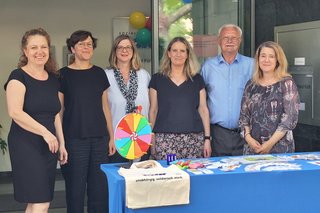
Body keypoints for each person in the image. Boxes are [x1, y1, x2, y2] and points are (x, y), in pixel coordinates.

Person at [4, 28, 68, 213]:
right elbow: (15, 112)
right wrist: (46, 133)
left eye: (43, 47)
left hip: (49, 145)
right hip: (26, 144)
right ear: (25, 51)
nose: (39, 51)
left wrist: (61, 143)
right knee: (42, 201)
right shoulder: (18, 76)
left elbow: (55, 113)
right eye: (33, 47)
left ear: (49, 49)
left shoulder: (54, 79)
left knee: (36, 201)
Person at [59, 30, 115, 213]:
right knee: (75, 191)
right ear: (72, 48)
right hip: (74, 140)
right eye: (81, 44)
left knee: (99, 191)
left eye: (89, 44)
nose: (86, 47)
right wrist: (61, 142)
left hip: (99, 140)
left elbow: (105, 108)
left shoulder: (99, 73)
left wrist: (111, 137)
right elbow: (58, 112)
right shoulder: (62, 75)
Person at [149, 36, 212, 160]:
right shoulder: (157, 79)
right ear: (168, 53)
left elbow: (203, 110)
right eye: (174, 50)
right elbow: (153, 110)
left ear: (188, 54)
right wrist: (151, 139)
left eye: (182, 51)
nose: (178, 54)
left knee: (193, 177)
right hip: (165, 140)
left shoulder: (197, 79)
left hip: (193, 140)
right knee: (168, 177)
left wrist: (207, 139)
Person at [201, 24, 255, 156]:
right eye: (225, 38)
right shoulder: (208, 67)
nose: (229, 41)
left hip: (248, 133)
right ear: (219, 41)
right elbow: (201, 101)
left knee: (246, 173)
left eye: (234, 38)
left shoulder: (252, 65)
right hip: (218, 135)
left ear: (240, 41)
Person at [239, 41, 300, 155]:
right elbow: (244, 117)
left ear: (278, 60)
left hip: (279, 150)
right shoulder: (251, 85)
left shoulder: (286, 83)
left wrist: (269, 144)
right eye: (263, 56)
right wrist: (248, 138)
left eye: (271, 56)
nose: (266, 60)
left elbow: (289, 118)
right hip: (252, 149)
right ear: (258, 59)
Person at [105, 34, 150, 163]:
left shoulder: (144, 75)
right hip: (116, 138)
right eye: (120, 47)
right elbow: (103, 109)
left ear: (134, 51)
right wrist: (110, 138)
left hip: (142, 137)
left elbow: (152, 107)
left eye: (128, 47)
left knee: (141, 180)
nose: (124, 51)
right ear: (114, 51)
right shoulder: (105, 76)